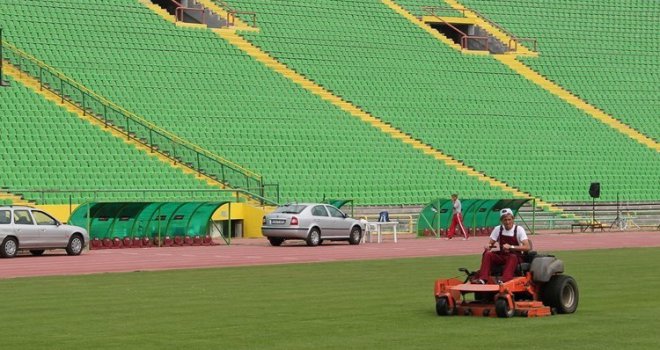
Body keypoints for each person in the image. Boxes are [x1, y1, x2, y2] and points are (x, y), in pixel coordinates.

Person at [474, 208, 530, 284]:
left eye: (509, 219)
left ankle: (505, 280)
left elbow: (527, 247)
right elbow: (490, 244)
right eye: (505, 220)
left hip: (516, 256)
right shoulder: (498, 229)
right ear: (501, 221)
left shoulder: (519, 229)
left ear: (513, 219)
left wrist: (511, 247)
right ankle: (483, 279)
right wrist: (488, 246)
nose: (507, 222)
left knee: (512, 257)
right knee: (488, 254)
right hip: (502, 255)